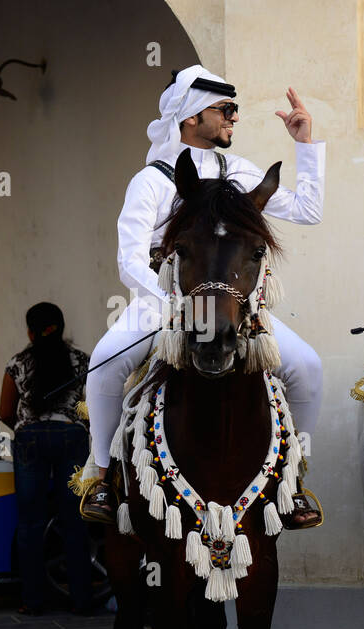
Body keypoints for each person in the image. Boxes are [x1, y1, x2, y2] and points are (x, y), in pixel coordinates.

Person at [80, 64, 325, 527]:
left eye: (234, 109)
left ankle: (293, 481)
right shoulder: (151, 181)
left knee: (307, 366)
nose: (233, 118)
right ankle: (103, 476)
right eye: (224, 109)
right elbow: (129, 260)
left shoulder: (242, 172)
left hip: (234, 303)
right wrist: (173, 301)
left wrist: (304, 143)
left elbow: (309, 211)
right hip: (163, 300)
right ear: (192, 116)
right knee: (104, 362)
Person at [0, 303, 93, 614]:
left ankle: (33, 600)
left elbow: (4, 412)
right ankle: (82, 600)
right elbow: (92, 406)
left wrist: (29, 429)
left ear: (30, 331)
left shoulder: (17, 363)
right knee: (75, 520)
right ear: (62, 328)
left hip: (30, 439)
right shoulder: (82, 361)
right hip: (72, 437)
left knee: (29, 522)